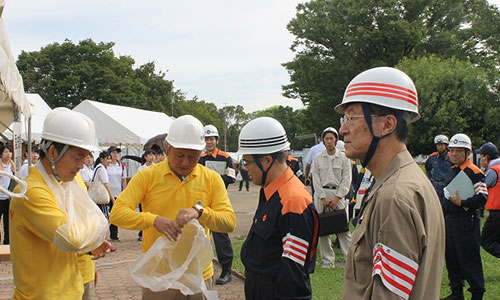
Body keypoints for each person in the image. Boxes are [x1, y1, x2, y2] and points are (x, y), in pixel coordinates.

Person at [335, 67, 445, 299]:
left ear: (387, 125)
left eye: (351, 118)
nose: (343, 129)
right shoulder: (409, 182)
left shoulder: (394, 196)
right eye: (343, 119)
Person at [110, 115, 236, 299]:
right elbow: (117, 214)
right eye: (179, 155)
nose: (185, 162)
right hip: (159, 277)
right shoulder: (147, 176)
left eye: (192, 157)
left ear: (200, 152)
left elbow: (229, 222)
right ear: (168, 148)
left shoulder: (211, 179)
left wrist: (200, 212)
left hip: (198, 275)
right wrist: (153, 220)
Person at [10, 107, 111, 300]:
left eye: (85, 156)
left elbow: (82, 236)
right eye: (77, 157)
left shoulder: (65, 183)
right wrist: (92, 234)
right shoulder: (31, 192)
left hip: (70, 289)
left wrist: (88, 243)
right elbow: (72, 238)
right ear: (53, 152)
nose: (82, 164)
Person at [238, 116, 319, 300]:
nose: (245, 169)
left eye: (247, 162)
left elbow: (293, 276)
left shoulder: (293, 201)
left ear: (267, 160)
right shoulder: (269, 189)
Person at [441, 134, 487, 300]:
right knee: (452, 257)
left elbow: (482, 196)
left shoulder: (474, 172)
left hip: (467, 221)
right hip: (450, 221)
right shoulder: (452, 170)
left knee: (469, 257)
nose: (453, 154)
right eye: (451, 151)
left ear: (467, 153)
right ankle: (456, 292)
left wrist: (463, 202)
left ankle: (477, 292)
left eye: (458, 151)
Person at [198, 124, 236, 285]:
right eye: (206, 139)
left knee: (221, 237)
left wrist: (214, 178)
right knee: (198, 235)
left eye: (211, 139)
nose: (209, 142)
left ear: (217, 140)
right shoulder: (199, 158)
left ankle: (226, 270)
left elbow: (232, 178)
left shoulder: (225, 157)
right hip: (201, 203)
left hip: (218, 202)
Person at [312, 127, 352, 268]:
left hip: (338, 195)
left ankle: (350, 261)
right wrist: (323, 198)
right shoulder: (318, 158)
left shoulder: (344, 158)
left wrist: (337, 198)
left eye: (331, 138)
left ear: (336, 140)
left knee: (343, 229)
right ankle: (327, 261)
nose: (329, 142)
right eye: (326, 139)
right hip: (322, 195)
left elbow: (346, 179)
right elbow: (315, 179)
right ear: (323, 141)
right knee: (323, 230)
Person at [478, 142, 500, 261]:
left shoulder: (493, 170)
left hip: (496, 212)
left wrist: (482, 168)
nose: (480, 159)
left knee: (486, 241)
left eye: (481, 156)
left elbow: (482, 185)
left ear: (487, 157)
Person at [106, 145, 127, 241]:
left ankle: (114, 235)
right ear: (109, 154)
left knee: (115, 213)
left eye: (117, 153)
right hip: (107, 193)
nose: (115, 155)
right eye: (113, 152)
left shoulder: (121, 166)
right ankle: (104, 234)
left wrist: (124, 191)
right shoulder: (106, 165)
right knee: (107, 214)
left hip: (117, 193)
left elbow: (123, 180)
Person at [425, 135, 453, 203]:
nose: (439, 147)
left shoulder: (452, 157)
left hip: (449, 187)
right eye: (438, 145)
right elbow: (427, 167)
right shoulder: (433, 157)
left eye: (441, 144)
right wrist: (431, 178)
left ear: (446, 145)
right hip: (436, 187)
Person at [0, 144, 14, 244]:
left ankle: (7, 242)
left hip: (7, 198)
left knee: (8, 222)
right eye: (6, 152)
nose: (8, 154)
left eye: (9, 152)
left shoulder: (12, 166)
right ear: (1, 154)